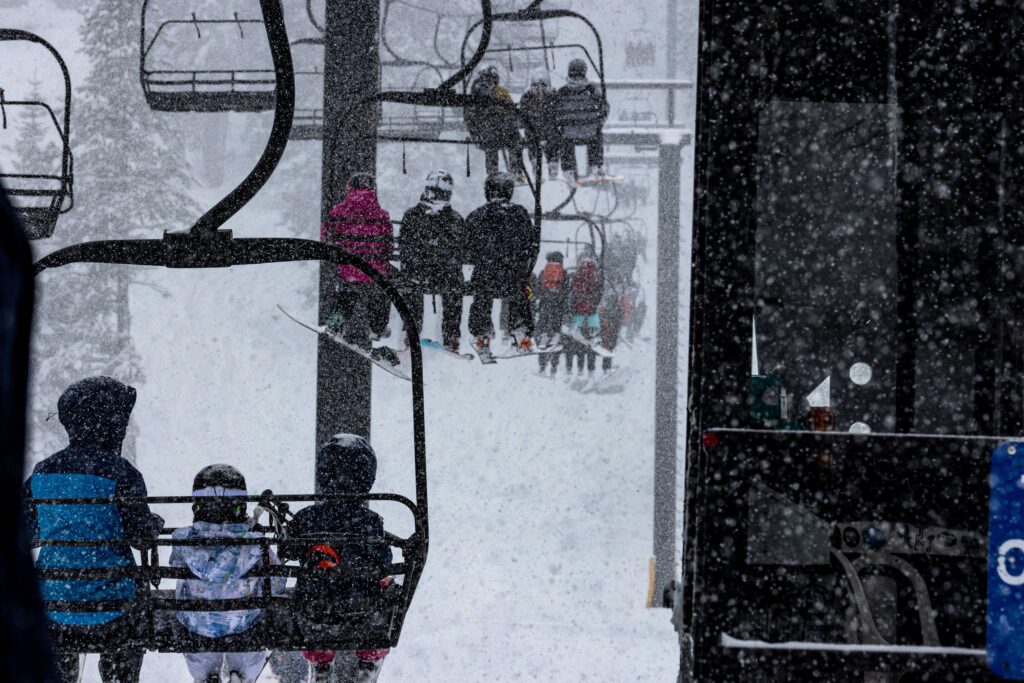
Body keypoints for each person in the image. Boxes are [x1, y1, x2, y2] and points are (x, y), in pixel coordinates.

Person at [22, 376, 164, 683]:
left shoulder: (42, 472)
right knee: (134, 597)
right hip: (114, 611)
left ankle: (61, 673)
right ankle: (117, 676)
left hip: (55, 606)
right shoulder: (121, 472)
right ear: (111, 423)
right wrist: (152, 524)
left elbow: (26, 531)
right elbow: (141, 539)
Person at [279, 435, 393, 683]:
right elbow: (383, 561)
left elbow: (286, 551)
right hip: (361, 611)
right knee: (380, 592)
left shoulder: (307, 517)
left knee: (312, 596)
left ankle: (321, 667)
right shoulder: (371, 522)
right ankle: (369, 663)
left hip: (315, 612)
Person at [170, 464, 285, 683]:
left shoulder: (182, 539)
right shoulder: (255, 543)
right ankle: (242, 677)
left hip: (197, 622)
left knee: (197, 637)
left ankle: (205, 677)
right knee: (251, 635)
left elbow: (177, 570)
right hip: (243, 621)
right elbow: (277, 582)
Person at [466, 172, 539, 354]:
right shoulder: (520, 214)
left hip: (486, 275)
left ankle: (482, 339)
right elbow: (529, 245)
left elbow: (466, 249)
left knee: (481, 300)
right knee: (521, 295)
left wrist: (484, 257)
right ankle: (522, 337)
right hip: (512, 276)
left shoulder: (477, 215)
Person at [322, 172, 394, 352]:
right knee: (381, 294)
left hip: (348, 270)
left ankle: (335, 323)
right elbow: (388, 246)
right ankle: (377, 329)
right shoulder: (381, 215)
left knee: (347, 294)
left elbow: (326, 239)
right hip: (373, 272)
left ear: (350, 188)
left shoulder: (337, 212)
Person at [398, 170, 467, 353]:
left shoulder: (412, 215)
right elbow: (461, 250)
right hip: (445, 276)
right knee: (454, 288)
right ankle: (451, 336)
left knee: (411, 284)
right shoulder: (455, 219)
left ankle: (410, 332)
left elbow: (405, 248)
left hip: (417, 273)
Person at [465, 66, 526, 177]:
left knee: (495, 148)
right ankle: (514, 170)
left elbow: (469, 117)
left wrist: (475, 133)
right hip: (495, 128)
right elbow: (512, 111)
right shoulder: (485, 93)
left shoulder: (486, 93)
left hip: (492, 129)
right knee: (512, 144)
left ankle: (496, 173)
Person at [555, 59, 609, 180]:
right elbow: (604, 109)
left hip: (569, 134)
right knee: (597, 137)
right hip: (589, 132)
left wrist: (561, 125)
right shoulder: (592, 90)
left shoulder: (562, 92)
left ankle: (568, 169)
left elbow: (554, 112)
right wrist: (598, 124)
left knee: (564, 141)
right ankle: (596, 165)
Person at [518, 77, 561, 179]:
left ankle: (542, 167)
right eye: (536, 86)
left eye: (542, 86)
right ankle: (549, 166)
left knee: (536, 143)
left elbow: (522, 117)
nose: (539, 89)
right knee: (550, 143)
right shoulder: (552, 97)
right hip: (545, 132)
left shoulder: (527, 97)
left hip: (539, 132)